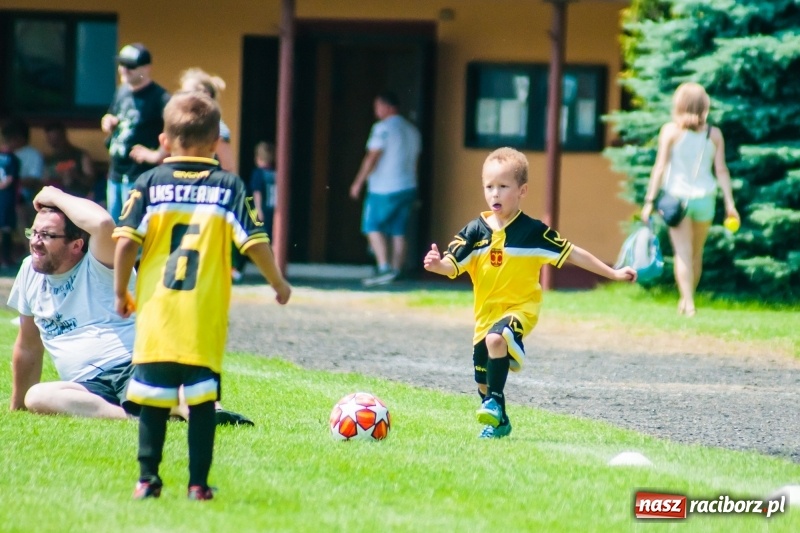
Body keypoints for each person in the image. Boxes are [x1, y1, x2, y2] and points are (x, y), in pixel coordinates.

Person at [113, 92, 292, 501]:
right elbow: (255, 243)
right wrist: (278, 284)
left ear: (164, 140)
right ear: (216, 142)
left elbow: (125, 243)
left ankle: (147, 479)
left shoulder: (149, 184)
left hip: (157, 314)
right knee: (201, 404)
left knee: (153, 402)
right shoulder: (228, 187)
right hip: (203, 317)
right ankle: (197, 484)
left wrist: (121, 290)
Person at [423, 147, 636, 439]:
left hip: (521, 309)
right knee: (483, 382)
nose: (495, 193)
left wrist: (613, 273)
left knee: (497, 339)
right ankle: (500, 421)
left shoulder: (533, 232)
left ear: (522, 191)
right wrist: (437, 265)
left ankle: (510, 356)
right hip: (485, 317)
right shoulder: (474, 231)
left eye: (503, 186)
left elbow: (573, 253)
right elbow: (452, 265)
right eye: (489, 187)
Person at [6, 187, 254, 426]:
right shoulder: (29, 271)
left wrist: (55, 194)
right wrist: (17, 407)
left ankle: (206, 412)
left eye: (47, 235)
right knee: (37, 396)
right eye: (33, 233)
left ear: (76, 245)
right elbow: (28, 346)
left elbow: (102, 223)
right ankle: (133, 416)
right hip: (86, 387)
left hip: (131, 366)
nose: (35, 242)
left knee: (175, 391)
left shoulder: (101, 265)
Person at [640, 82, 739, 317]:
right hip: (705, 199)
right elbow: (721, 170)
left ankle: (688, 302)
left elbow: (660, 167)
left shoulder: (670, 131)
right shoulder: (714, 134)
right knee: (696, 253)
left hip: (677, 200)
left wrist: (649, 201)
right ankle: (687, 301)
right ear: (704, 105)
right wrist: (730, 203)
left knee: (682, 253)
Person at [350, 91, 421, 286]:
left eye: (378, 106)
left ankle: (384, 267)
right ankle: (397, 270)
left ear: (388, 107)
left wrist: (358, 182)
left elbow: (372, 157)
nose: (376, 111)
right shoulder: (413, 131)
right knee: (399, 230)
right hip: (408, 185)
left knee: (371, 225)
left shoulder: (382, 129)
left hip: (384, 187)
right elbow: (416, 162)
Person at [101, 43, 170, 222]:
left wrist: (157, 155)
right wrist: (108, 121)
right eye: (121, 64)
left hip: (140, 177)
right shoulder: (122, 91)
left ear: (146, 68)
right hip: (116, 173)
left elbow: (174, 131)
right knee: (114, 228)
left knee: (134, 229)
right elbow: (112, 115)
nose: (124, 69)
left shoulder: (160, 97)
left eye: (130, 66)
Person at [1, 118, 44, 251]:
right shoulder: (4, 155)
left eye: (9, 139)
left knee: (17, 211)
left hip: (24, 198)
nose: (6, 142)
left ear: (19, 138)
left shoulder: (33, 154)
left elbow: (34, 181)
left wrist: (12, 181)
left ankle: (30, 249)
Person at [42, 122, 95, 199]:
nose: (55, 143)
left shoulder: (81, 155)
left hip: (79, 197)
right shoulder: (49, 160)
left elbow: (91, 181)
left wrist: (75, 175)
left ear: (63, 136)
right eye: (52, 141)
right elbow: (44, 181)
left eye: (57, 140)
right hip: (56, 198)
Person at [0, 141, 20, 269]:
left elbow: (10, 179)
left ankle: (6, 260)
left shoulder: (12, 158)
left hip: (6, 199)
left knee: (6, 228)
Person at [250, 141, 276, 235]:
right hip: (274, 210)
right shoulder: (275, 174)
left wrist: (258, 209)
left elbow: (257, 193)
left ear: (258, 158)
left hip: (264, 211)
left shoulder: (258, 173)